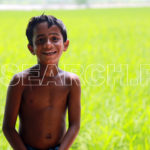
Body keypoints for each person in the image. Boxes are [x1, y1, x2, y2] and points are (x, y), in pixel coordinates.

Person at [2, 15, 81, 150]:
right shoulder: (20, 81)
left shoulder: (71, 82)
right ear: (31, 48)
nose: (48, 44)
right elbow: (8, 128)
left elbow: (75, 125)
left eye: (54, 39)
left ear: (65, 45)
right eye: (40, 40)